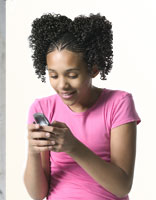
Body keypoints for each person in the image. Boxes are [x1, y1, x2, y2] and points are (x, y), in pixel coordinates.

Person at [24, 14, 140, 200]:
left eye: (72, 75)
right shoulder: (42, 108)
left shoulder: (118, 103)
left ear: (93, 70)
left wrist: (74, 147)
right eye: (54, 76)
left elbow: (122, 186)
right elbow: (37, 195)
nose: (62, 85)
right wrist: (32, 151)